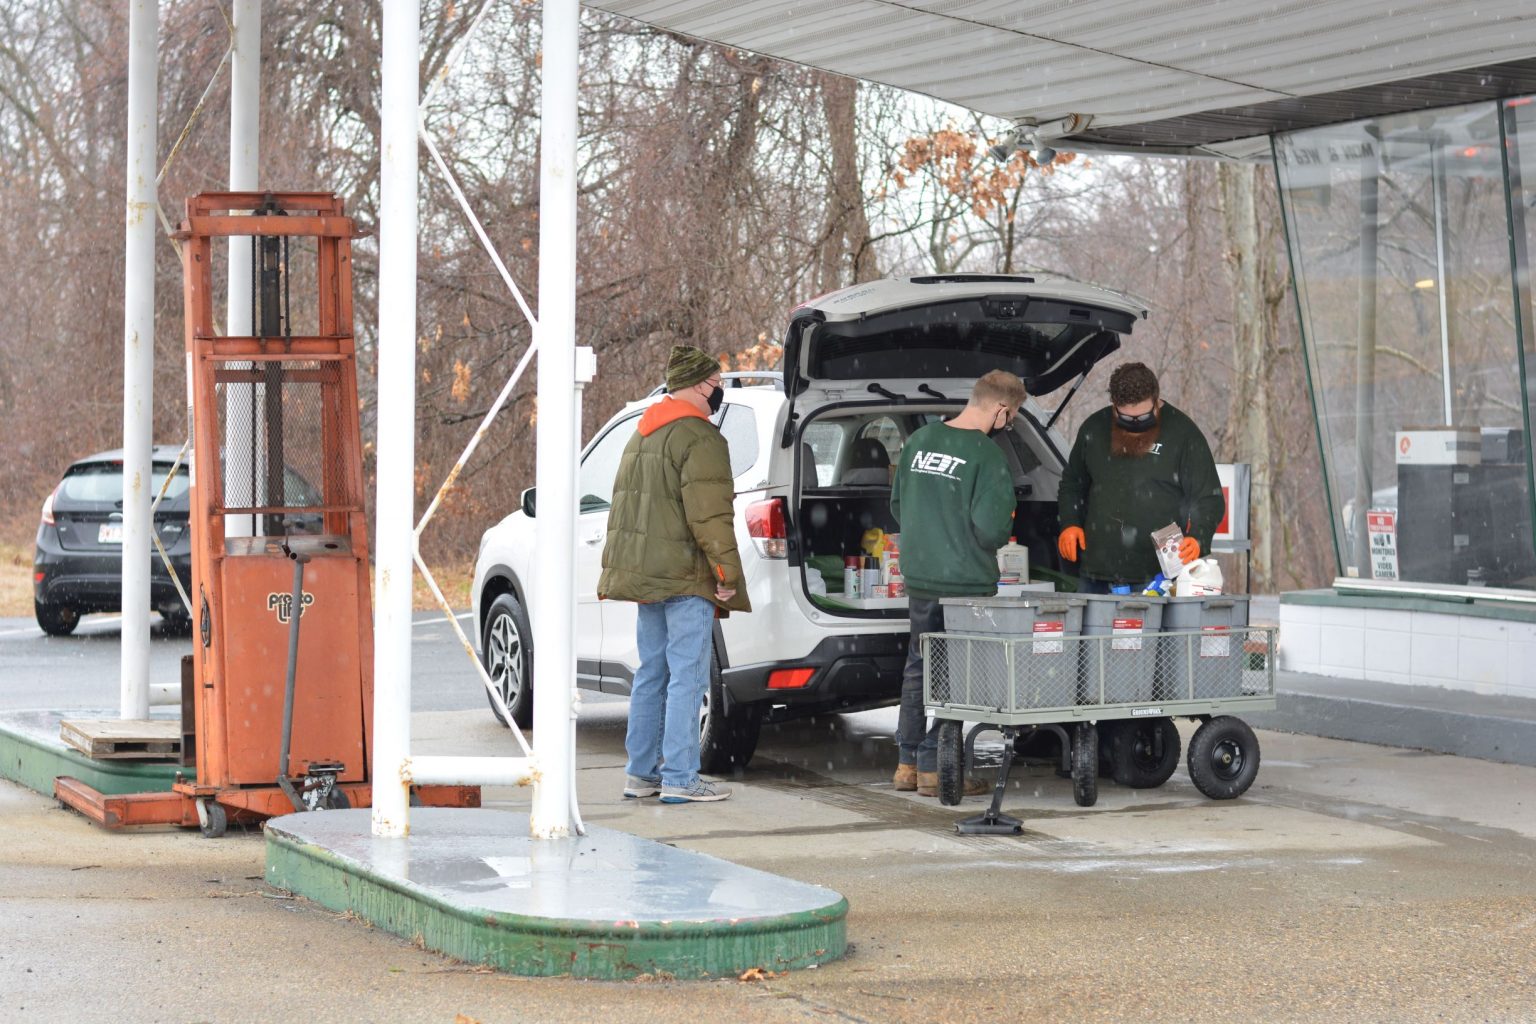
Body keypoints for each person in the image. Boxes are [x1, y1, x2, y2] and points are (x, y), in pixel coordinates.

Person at [599, 345, 750, 804]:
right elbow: (711, 516)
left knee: (652, 675)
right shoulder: (699, 438)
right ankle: (681, 778)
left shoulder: (640, 435)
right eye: (716, 384)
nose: (719, 392)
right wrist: (726, 572)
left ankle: (641, 773)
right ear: (699, 385)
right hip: (686, 577)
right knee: (688, 677)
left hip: (649, 578)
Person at [889, 369, 1026, 798]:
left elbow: (897, 506)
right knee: (953, 676)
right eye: (1013, 416)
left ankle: (907, 763)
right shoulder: (987, 457)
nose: (1010, 424)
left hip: (921, 577)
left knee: (919, 666)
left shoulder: (918, 442)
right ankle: (936, 767)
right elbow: (990, 531)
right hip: (964, 583)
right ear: (1002, 409)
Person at [1056, 362, 1225, 593]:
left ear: (1156, 400)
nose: (1135, 425)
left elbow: (1209, 498)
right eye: (1126, 418)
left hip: (1158, 576)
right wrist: (1070, 522)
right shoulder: (1094, 429)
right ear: (1114, 405)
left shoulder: (1183, 434)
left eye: (1143, 417)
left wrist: (1198, 537)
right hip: (1097, 571)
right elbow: (1072, 484)